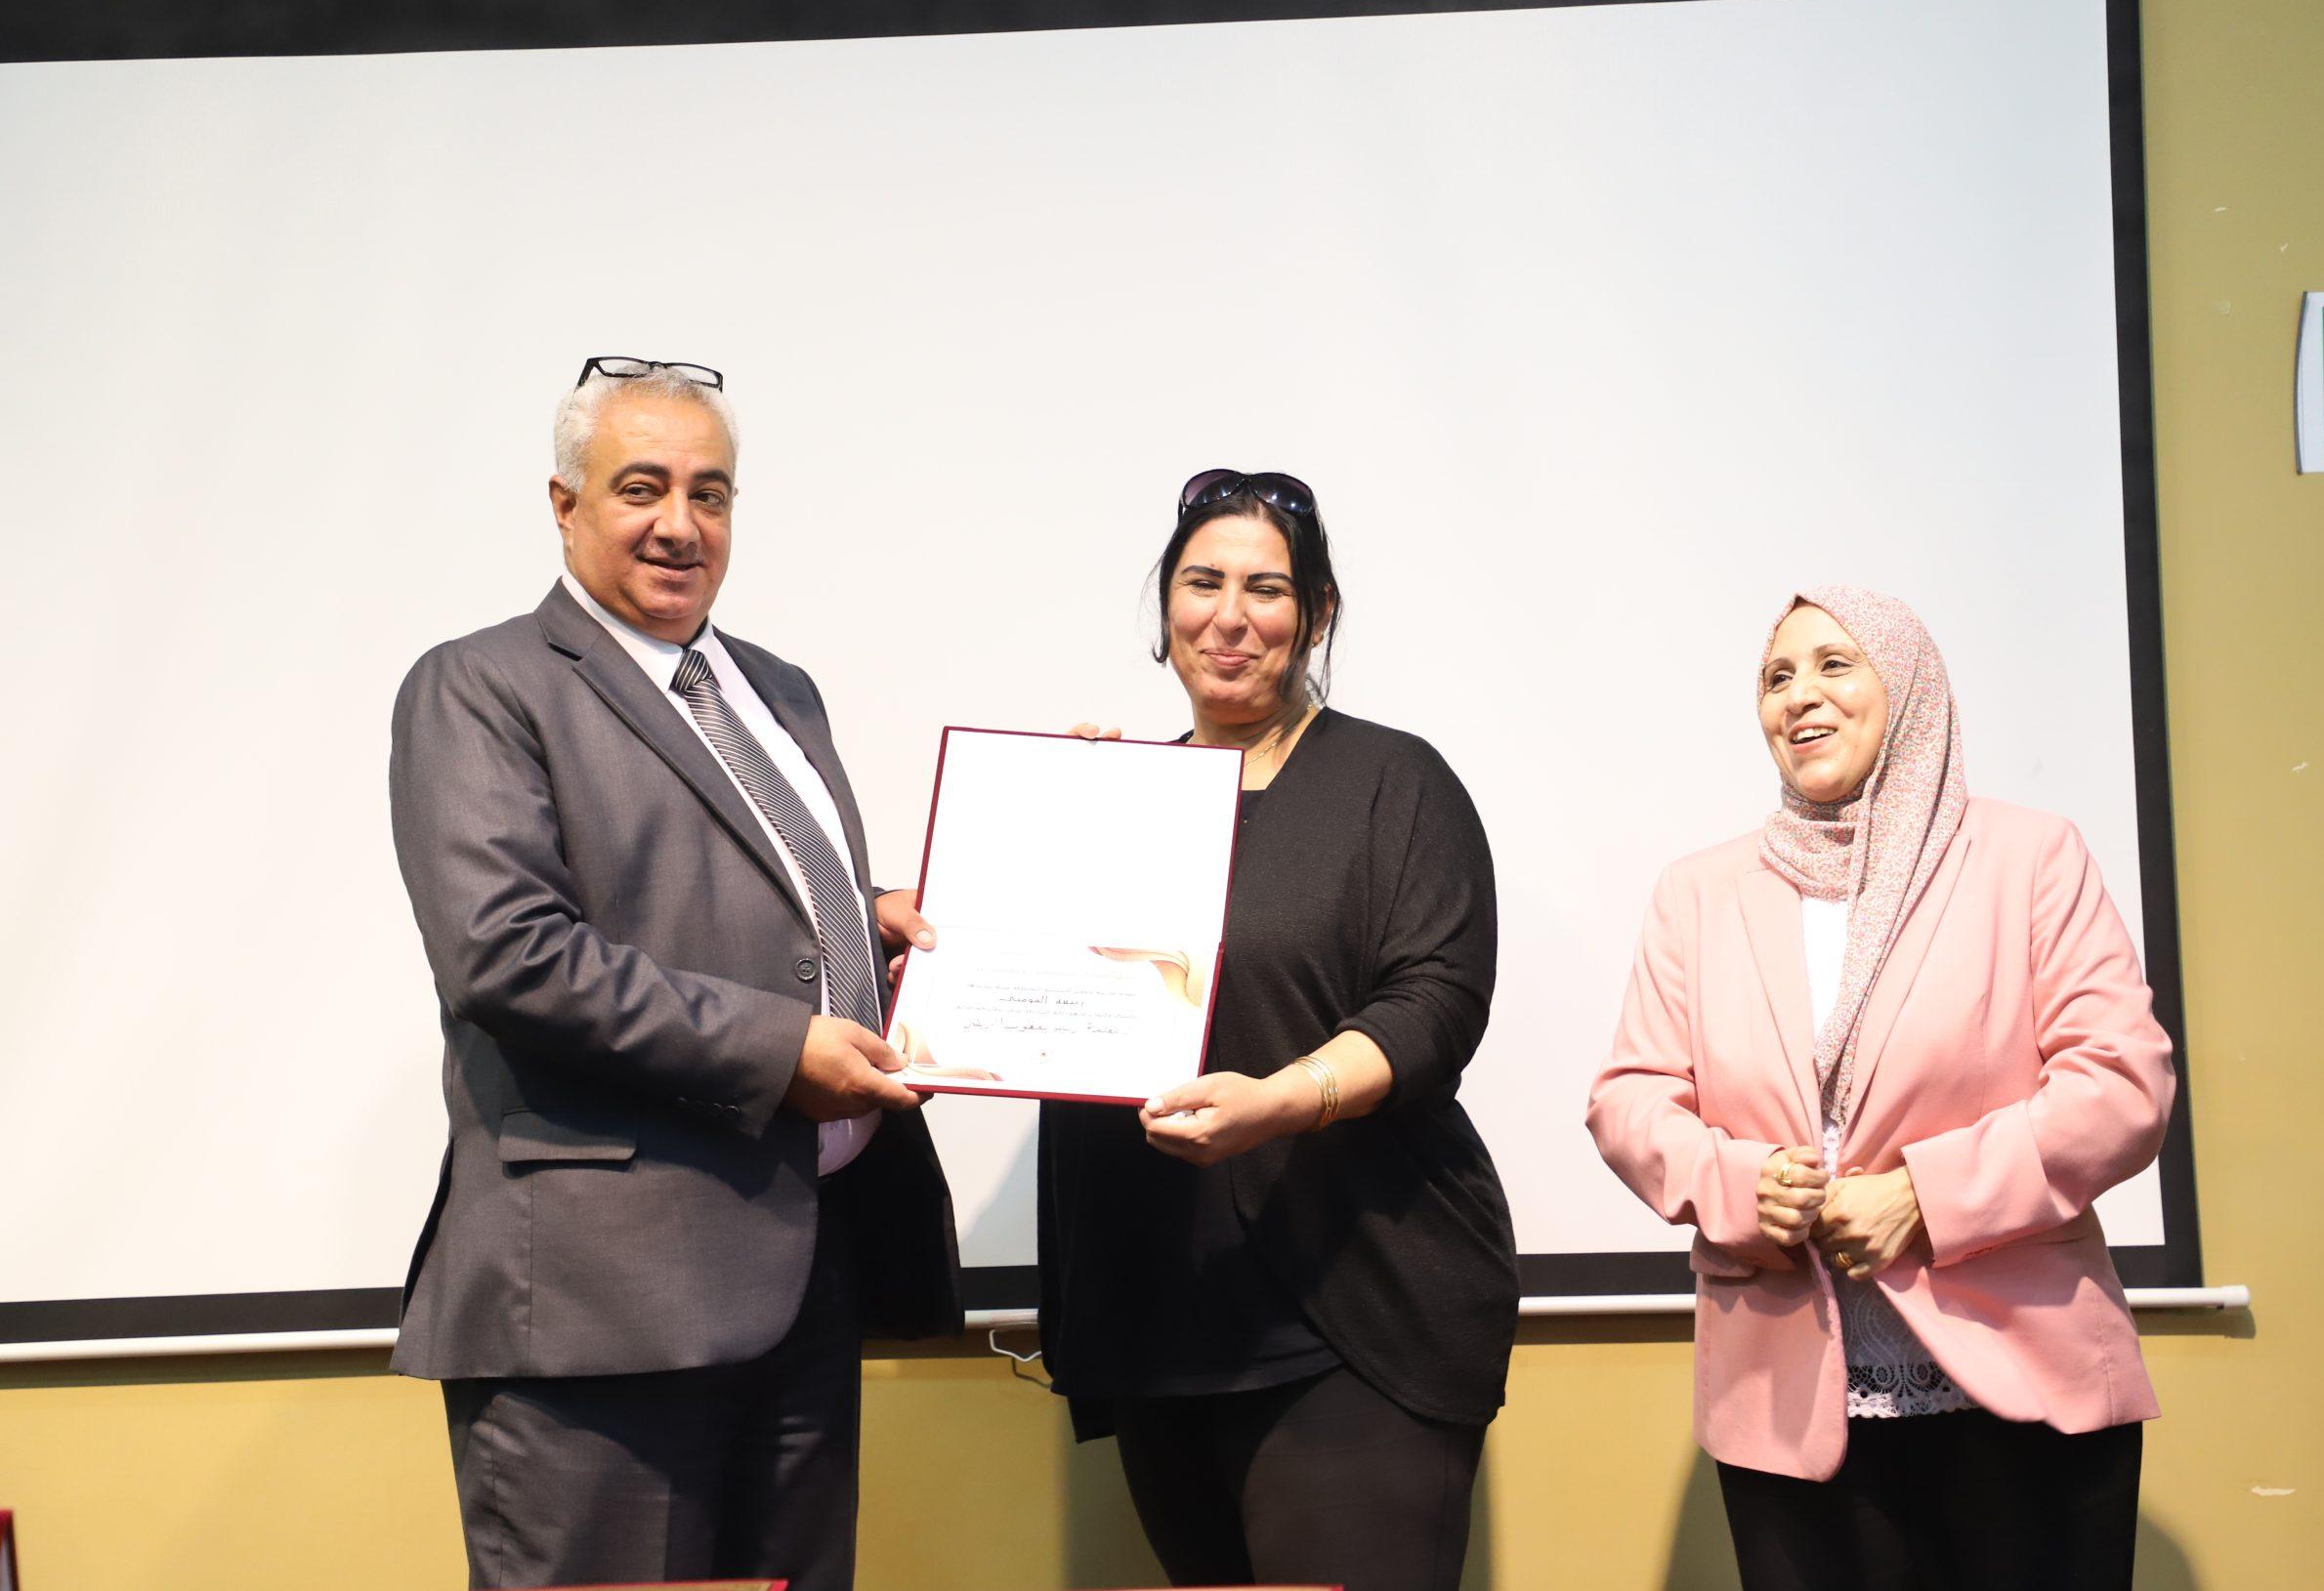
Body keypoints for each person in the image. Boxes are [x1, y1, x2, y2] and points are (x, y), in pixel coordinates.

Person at [387, 356, 959, 1591]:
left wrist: (863, 928)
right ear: (564, 505)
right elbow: (508, 953)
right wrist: (779, 1047)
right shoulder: (481, 686)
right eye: (640, 488)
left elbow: (720, 895)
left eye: (710, 493)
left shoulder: (776, 689)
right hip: (604, 1306)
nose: (680, 524)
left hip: (804, 1276)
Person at [1585, 585, 2174, 1591]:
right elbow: (1630, 1098)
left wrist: (1923, 1197)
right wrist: (1740, 1183)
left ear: (1906, 683)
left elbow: (2122, 1083)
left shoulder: (2028, 856)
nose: (1798, 695)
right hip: (1787, 1404)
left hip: (2022, 1387)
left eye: (1833, 664)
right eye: (1776, 676)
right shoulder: (1698, 892)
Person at [1035, 469, 1517, 1591]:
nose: (1229, 616)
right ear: (1165, 605)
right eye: (1201, 583)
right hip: (1161, 1324)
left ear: (1317, 613)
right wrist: (1043, 827)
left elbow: (1435, 1000)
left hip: (1352, 1318)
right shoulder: (1113, 798)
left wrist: (1282, 1101)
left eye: (1266, 588)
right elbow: (1037, 994)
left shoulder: (1392, 782)